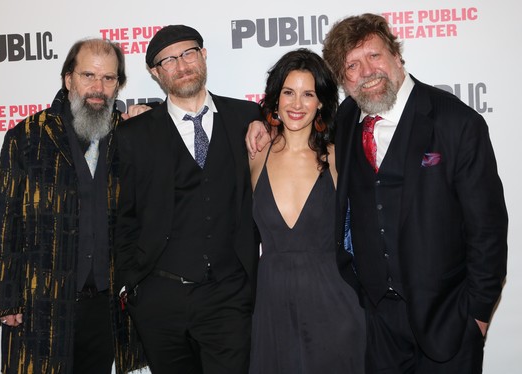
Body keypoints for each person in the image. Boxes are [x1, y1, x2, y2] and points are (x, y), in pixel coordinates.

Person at [248, 13, 508, 373]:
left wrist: (477, 315)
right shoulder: (348, 121)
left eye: (374, 56)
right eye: (352, 65)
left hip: (447, 319)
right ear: (343, 80)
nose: (366, 71)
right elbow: (296, 120)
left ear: (397, 56)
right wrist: (259, 123)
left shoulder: (456, 122)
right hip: (377, 326)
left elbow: (488, 230)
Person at [0, 38, 145, 374]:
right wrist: (6, 299)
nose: (98, 88)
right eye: (89, 75)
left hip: (105, 305)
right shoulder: (27, 137)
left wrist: (153, 113)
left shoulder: (130, 135)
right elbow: (7, 222)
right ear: (68, 79)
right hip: (40, 301)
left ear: (118, 85)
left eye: (109, 79)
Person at [114, 25, 261, 374]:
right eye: (169, 60)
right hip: (160, 298)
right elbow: (121, 214)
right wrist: (130, 286)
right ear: (155, 73)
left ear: (204, 55)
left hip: (229, 295)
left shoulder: (247, 118)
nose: (181, 65)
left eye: (189, 53)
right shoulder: (134, 134)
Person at [248, 48, 365, 374]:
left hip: (334, 307)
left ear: (322, 103)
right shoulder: (255, 154)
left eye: (308, 94)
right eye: (288, 92)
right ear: (275, 98)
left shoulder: (337, 156)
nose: (296, 104)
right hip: (272, 309)